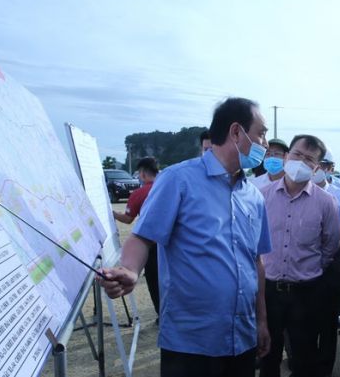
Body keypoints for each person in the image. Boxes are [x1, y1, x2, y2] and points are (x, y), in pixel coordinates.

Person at [98, 97, 272, 377]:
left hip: (241, 337)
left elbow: (256, 262)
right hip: (191, 344)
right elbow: (143, 237)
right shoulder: (178, 179)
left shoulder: (253, 196)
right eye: (261, 133)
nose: (265, 143)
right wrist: (129, 270)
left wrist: (261, 321)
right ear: (236, 132)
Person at [258, 135, 340, 377]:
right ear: (286, 157)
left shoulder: (327, 202)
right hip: (269, 291)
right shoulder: (262, 196)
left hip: (306, 293)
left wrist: (309, 268)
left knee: (304, 358)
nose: (301, 162)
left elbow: (330, 246)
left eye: (309, 159)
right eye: (297, 154)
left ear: (316, 167)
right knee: (268, 355)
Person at [312, 155, 340, 377]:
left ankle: (325, 367)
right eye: (315, 164)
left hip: (331, 261)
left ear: (329, 168)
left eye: (323, 165)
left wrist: (326, 254)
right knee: (304, 316)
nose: (318, 168)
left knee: (328, 317)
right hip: (304, 263)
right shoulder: (300, 190)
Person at [112, 157, 161, 322]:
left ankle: (162, 314)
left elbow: (128, 219)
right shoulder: (168, 186)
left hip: (151, 245)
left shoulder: (139, 194)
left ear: (142, 173)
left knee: (155, 281)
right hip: (173, 244)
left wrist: (113, 214)